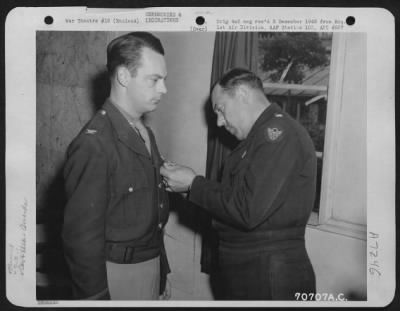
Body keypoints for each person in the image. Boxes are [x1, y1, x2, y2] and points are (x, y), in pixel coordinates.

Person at [161, 68, 317, 300]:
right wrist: (186, 186)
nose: (219, 122)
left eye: (221, 110)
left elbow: (247, 210)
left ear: (243, 94)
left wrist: (193, 184)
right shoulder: (256, 139)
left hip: (269, 276)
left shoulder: (277, 134)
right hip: (252, 271)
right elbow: (232, 201)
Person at [62, 32, 170, 300]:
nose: (163, 89)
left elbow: (152, 211)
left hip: (148, 266)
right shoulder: (94, 144)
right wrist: (95, 298)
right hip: (117, 276)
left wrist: (161, 272)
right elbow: (82, 239)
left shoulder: (143, 133)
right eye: (154, 80)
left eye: (163, 80)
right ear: (123, 76)